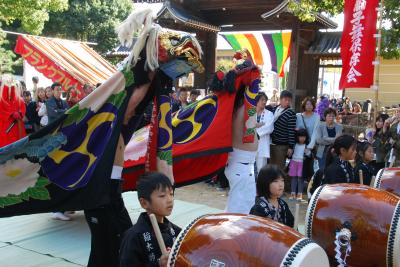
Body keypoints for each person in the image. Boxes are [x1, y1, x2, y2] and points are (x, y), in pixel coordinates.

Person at [120, 172, 181, 267]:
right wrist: (158, 265)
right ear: (144, 203)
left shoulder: (177, 232)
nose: (170, 200)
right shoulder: (133, 237)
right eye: (162, 196)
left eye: (171, 194)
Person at [270, 90, 296, 177]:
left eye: (289, 100)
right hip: (270, 143)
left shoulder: (291, 113)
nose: (287, 102)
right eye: (285, 99)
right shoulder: (274, 109)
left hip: (282, 145)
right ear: (280, 99)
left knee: (280, 169)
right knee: (270, 168)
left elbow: (291, 131)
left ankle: (280, 188)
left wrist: (291, 147)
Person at [296, 97, 320, 182]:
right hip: (299, 144)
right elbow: (296, 130)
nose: (309, 106)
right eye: (307, 104)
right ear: (304, 105)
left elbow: (315, 132)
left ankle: (308, 186)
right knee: (298, 165)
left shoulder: (316, 117)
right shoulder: (298, 116)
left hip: (310, 145)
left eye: (311, 104)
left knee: (309, 165)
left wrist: (309, 147)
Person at [0, 75, 26, 148]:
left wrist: (20, 113)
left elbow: (23, 108)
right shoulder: (1, 100)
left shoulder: (19, 99)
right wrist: (10, 114)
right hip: (4, 126)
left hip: (17, 125)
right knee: (5, 146)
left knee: (17, 145)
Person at [288, 129, 311, 201]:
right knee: (294, 178)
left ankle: (299, 194)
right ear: (297, 137)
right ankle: (292, 193)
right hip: (294, 162)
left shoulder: (306, 146)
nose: (302, 138)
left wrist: (307, 152)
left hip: (302, 163)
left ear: (306, 137)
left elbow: (310, 155)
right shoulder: (294, 145)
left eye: (304, 137)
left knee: (301, 179)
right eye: (300, 137)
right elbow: (290, 154)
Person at [255, 92, 274, 172]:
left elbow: (269, 128)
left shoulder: (269, 114)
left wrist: (255, 130)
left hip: (262, 144)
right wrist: (259, 125)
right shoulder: (251, 112)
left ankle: (260, 184)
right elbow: (246, 125)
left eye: (265, 100)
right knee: (248, 169)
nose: (264, 102)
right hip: (249, 144)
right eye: (262, 100)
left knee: (261, 169)